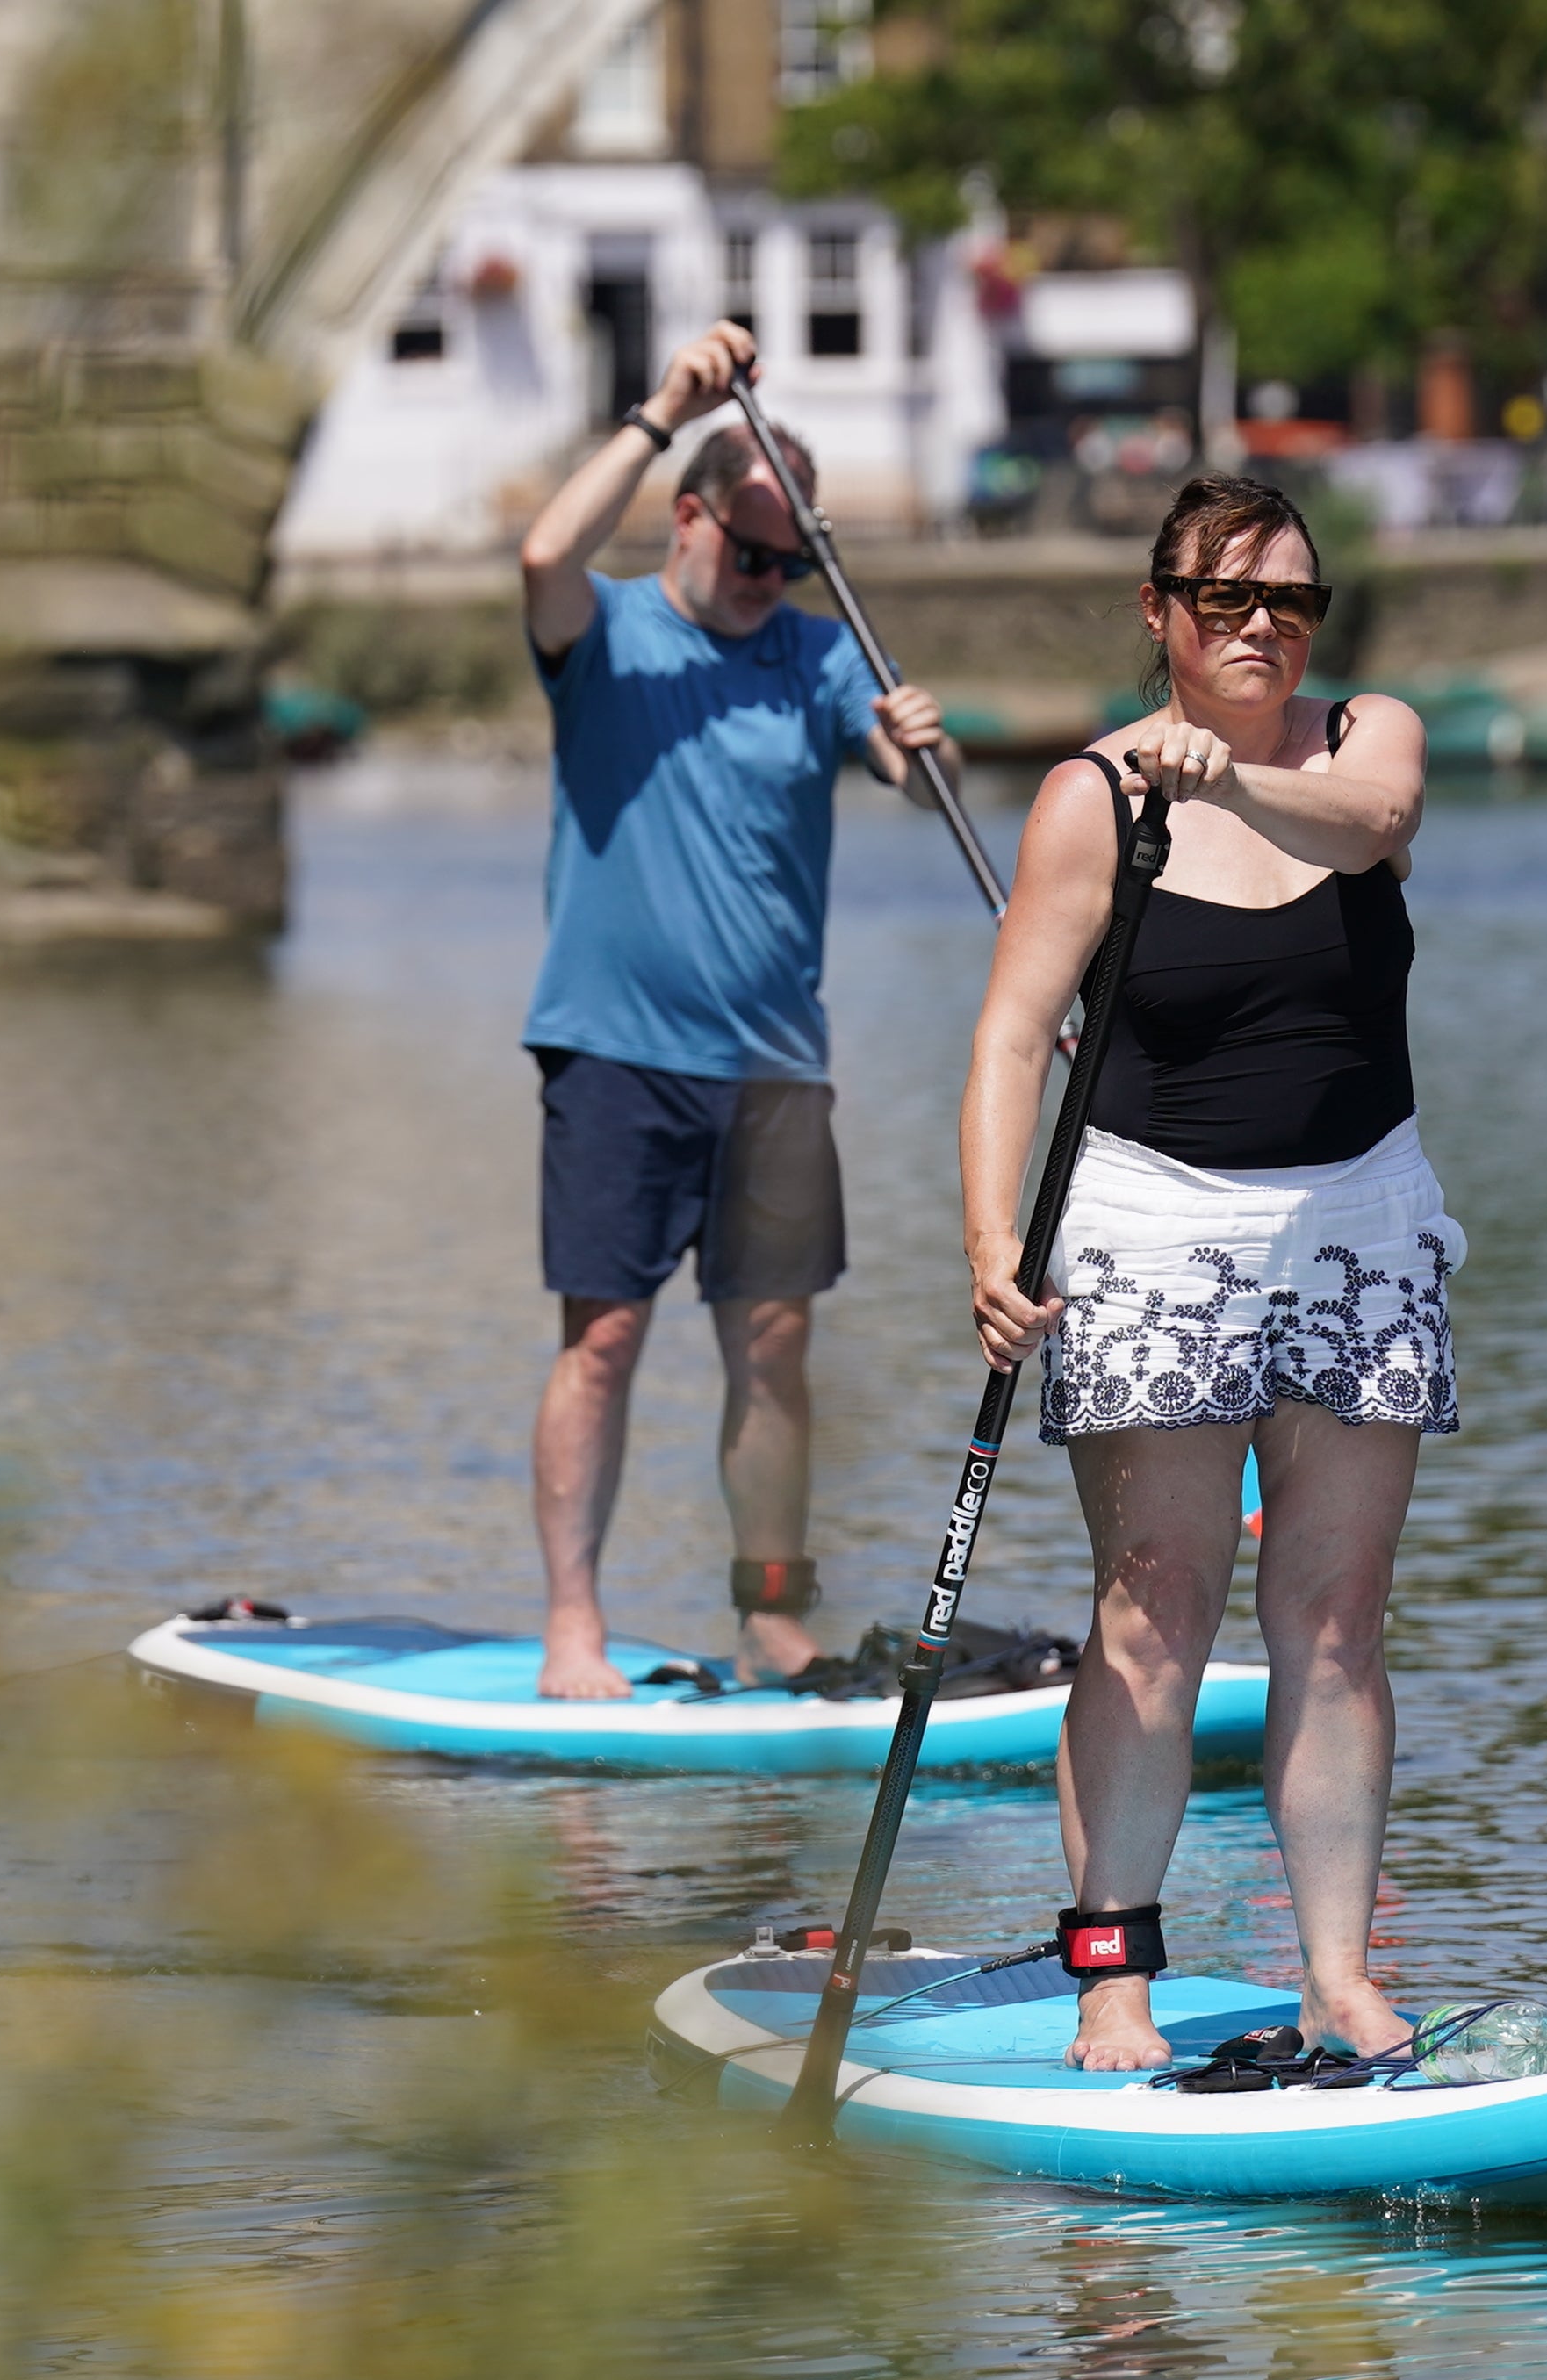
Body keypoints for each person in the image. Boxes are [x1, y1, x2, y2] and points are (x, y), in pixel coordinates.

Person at [962, 471, 1445, 2071]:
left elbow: (1372, 829)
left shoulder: (1364, 737)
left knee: (1335, 1616)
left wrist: (1230, 776)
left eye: (1290, 602)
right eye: (1227, 603)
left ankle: (1337, 1982)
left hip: (1362, 1214)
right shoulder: (1095, 799)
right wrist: (986, 1240)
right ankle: (1113, 1976)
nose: (1261, 630)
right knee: (1156, 1608)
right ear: (1160, 616)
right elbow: (1015, 1033)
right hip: (1154, 1219)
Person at [516, 318, 959, 1699]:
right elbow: (542, 556)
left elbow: (886, 755)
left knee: (774, 1348)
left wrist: (911, 737)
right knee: (604, 1342)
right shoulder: (609, 636)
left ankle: (772, 1616)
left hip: (776, 1064)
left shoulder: (817, 656)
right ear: (691, 519)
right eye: (751, 552)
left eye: (794, 559)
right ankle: (573, 1627)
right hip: (617, 1050)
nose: (771, 580)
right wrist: (663, 407)